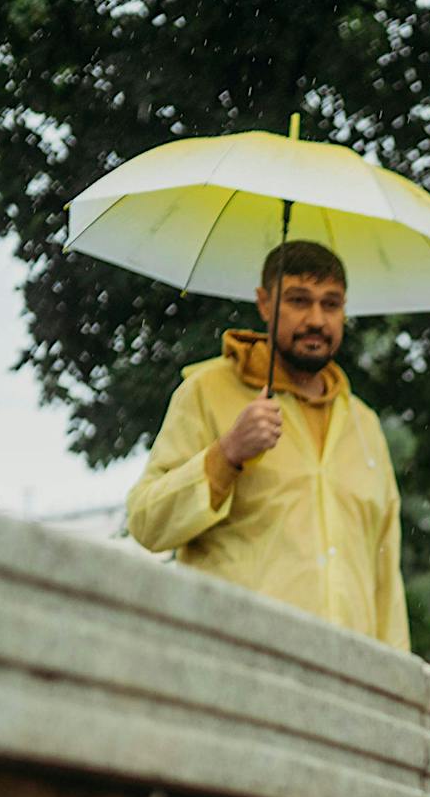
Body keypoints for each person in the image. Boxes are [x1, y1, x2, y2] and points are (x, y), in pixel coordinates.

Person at [126, 242, 409, 651]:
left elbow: (386, 577)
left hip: (346, 675)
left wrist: (395, 679)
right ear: (263, 303)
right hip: (237, 665)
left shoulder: (364, 425)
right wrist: (226, 454)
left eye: (331, 304)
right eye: (298, 300)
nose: (317, 319)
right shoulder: (205, 391)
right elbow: (147, 523)